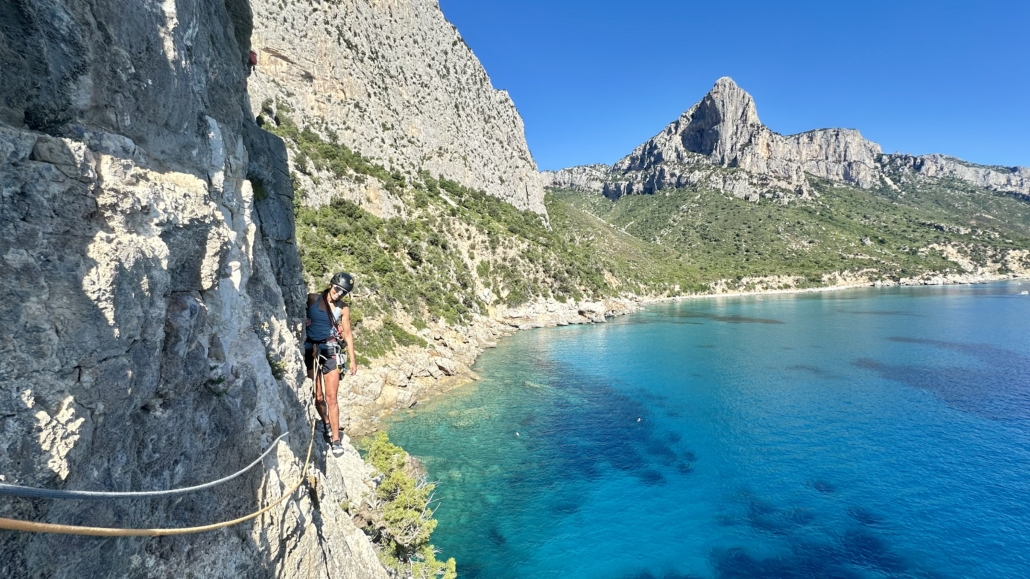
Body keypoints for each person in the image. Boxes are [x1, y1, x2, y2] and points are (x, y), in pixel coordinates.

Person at [305, 272, 358, 456]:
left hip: (331, 352)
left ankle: (336, 439)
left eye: (344, 292)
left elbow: (348, 334)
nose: (339, 293)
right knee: (317, 396)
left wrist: (352, 359)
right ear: (330, 285)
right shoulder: (312, 299)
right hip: (311, 350)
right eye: (337, 289)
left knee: (331, 398)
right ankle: (326, 422)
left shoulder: (343, 309)